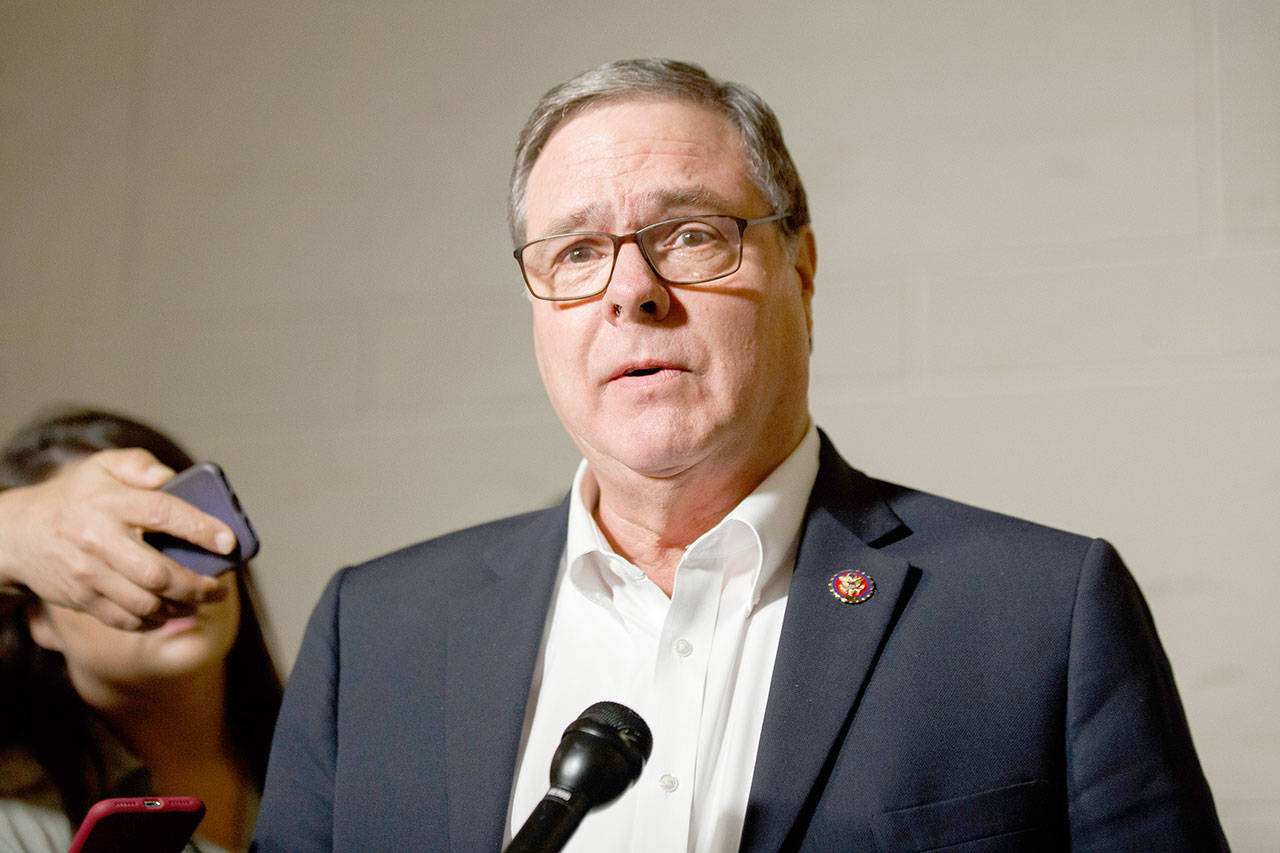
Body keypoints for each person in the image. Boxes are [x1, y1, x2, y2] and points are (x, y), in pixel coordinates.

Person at [253, 57, 1225, 850]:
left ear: (800, 274)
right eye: (575, 253)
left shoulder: (1038, 614)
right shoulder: (373, 635)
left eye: (689, 234)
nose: (630, 290)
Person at [0, 409, 283, 853]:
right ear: (38, 618)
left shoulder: (328, 765)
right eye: (108, 553)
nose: (160, 573)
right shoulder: (16, 816)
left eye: (175, 530)